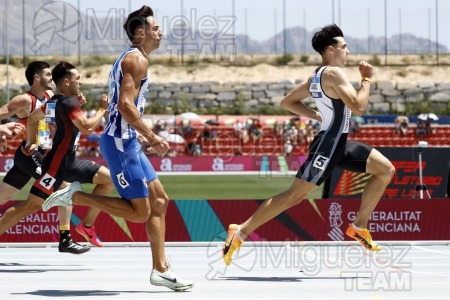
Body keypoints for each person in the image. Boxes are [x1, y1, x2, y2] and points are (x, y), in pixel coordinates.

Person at [42, 6, 193, 292]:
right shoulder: (136, 60)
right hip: (122, 143)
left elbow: (125, 104)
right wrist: (152, 136)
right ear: (141, 33)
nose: (161, 32)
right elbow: (125, 105)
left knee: (160, 201)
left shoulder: (135, 58)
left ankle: (161, 270)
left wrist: (142, 137)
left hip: (127, 141)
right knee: (139, 213)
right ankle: (77, 197)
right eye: (156, 27)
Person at [222, 24, 395, 266]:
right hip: (328, 146)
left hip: (339, 142)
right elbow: (359, 107)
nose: (348, 52)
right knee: (293, 196)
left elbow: (287, 102)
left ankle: (359, 226)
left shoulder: (316, 77)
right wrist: (366, 79)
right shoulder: (334, 74)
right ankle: (239, 231)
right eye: (344, 47)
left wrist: (315, 115)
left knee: (385, 169)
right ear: (331, 49)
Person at [0, 61, 114, 253]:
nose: (51, 78)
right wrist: (9, 131)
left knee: (7, 198)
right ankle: (66, 238)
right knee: (63, 189)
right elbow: (79, 124)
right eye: (47, 75)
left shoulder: (51, 98)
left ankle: (77, 232)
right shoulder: (24, 100)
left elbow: (45, 120)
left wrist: (76, 106)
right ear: (37, 78)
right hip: (34, 155)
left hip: (45, 154)